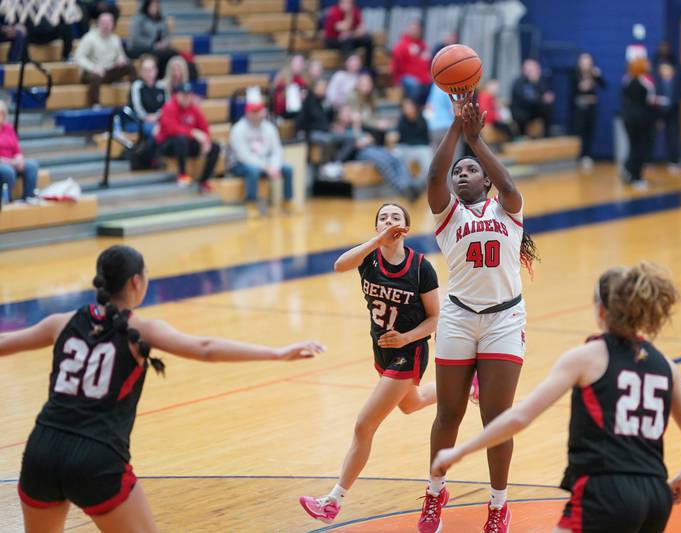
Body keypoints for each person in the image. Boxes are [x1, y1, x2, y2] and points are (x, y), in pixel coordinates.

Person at [2, 245, 323, 532]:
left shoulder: (61, 322)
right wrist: (277, 353)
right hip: (96, 458)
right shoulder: (140, 329)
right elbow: (206, 347)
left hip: (41, 450)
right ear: (136, 282)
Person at [432, 262, 681, 533]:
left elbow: (519, 416)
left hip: (606, 491)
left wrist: (461, 451)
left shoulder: (587, 357)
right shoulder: (666, 366)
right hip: (656, 497)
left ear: (601, 310)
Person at [418, 95, 538, 533]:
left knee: (495, 418)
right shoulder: (447, 215)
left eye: (470, 170)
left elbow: (509, 185)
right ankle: (434, 493)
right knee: (448, 413)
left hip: (504, 320)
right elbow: (433, 174)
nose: (461, 173)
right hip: (458, 317)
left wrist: (477, 140)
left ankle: (498, 504)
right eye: (458, 171)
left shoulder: (508, 209)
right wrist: (455, 130)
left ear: (485, 180)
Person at [299, 203, 440, 524]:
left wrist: (406, 339)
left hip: (409, 350)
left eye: (395, 218)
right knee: (411, 404)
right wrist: (378, 241)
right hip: (383, 350)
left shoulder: (420, 267)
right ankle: (461, 383)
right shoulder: (369, 257)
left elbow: (434, 319)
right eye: (383, 218)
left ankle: (333, 501)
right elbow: (339, 265)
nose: (389, 221)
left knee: (364, 425)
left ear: (405, 227)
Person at [156, 82, 221, 191]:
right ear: (177, 95)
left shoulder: (194, 108)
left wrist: (206, 141)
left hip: (186, 144)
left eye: (188, 95)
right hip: (167, 145)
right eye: (183, 95)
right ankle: (182, 175)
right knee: (180, 139)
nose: (186, 98)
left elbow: (204, 127)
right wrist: (193, 133)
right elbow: (172, 130)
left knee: (215, 147)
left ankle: (204, 181)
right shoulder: (169, 107)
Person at [228, 101, 293, 206]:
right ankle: (251, 202)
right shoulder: (238, 129)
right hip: (239, 164)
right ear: (248, 114)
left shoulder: (269, 128)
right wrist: (266, 167)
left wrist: (274, 167)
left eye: (259, 112)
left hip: (266, 162)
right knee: (253, 170)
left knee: (288, 169)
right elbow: (243, 156)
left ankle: (287, 202)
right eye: (254, 112)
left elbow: (277, 150)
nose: (258, 115)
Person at [75, 12, 137, 107]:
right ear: (98, 24)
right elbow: (78, 57)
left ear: (112, 24)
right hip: (91, 72)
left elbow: (123, 57)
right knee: (95, 77)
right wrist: (93, 68)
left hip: (109, 71)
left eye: (108, 23)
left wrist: (121, 60)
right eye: (103, 23)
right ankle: (95, 105)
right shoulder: (89, 38)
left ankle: (135, 96)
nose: (106, 26)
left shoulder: (115, 39)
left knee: (130, 67)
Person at [621, 58, 656, 190]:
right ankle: (637, 177)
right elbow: (650, 100)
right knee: (640, 147)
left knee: (633, 146)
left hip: (628, 118)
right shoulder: (646, 82)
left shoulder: (626, 80)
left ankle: (629, 169)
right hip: (641, 119)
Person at [126, 0, 179, 78]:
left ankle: (163, 78)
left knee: (172, 53)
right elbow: (135, 39)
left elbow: (167, 36)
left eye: (156, 6)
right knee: (160, 55)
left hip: (158, 49)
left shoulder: (161, 19)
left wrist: (164, 43)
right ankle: (157, 78)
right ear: (147, 5)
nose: (154, 8)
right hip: (140, 48)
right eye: (152, 5)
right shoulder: (139, 18)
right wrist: (152, 44)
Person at [570, 53, 606, 168]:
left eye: (588, 62)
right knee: (580, 133)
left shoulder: (594, 73)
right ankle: (579, 156)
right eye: (583, 62)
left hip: (592, 107)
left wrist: (599, 76)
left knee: (590, 132)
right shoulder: (575, 74)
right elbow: (572, 92)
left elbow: (604, 85)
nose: (586, 64)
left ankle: (588, 155)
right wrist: (581, 86)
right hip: (580, 108)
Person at [0, 100, 38, 202]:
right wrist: (12, 162)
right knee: (8, 171)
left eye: (2, 113)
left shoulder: (8, 128)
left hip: (12, 161)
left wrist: (19, 159)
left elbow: (17, 149)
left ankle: (29, 198)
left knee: (32, 165)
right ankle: (6, 200)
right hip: (3, 163)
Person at [391, 18, 432, 105]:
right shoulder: (401, 45)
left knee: (436, 86)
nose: (415, 31)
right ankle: (411, 108)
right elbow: (395, 65)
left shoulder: (424, 46)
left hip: (424, 79)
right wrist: (396, 81)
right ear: (407, 29)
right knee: (414, 85)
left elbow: (429, 64)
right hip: (406, 78)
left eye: (417, 29)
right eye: (412, 28)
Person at [654, 62, 681, 173]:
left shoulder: (676, 83)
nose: (666, 72)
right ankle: (650, 160)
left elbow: (680, 93)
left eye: (668, 69)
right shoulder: (656, 83)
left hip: (673, 113)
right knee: (653, 136)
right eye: (663, 69)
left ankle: (673, 161)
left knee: (673, 137)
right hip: (659, 113)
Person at [511, 58, 554, 138]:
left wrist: (536, 84)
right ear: (524, 70)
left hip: (532, 110)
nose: (533, 72)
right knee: (522, 116)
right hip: (521, 111)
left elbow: (545, 94)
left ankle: (547, 136)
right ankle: (522, 137)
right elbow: (526, 100)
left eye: (534, 69)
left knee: (546, 109)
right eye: (530, 70)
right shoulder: (518, 83)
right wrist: (541, 99)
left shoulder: (538, 81)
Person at [323, 0, 373, 69]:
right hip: (333, 40)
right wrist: (348, 14)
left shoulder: (355, 10)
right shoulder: (334, 11)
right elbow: (345, 27)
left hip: (350, 38)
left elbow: (361, 28)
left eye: (350, 3)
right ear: (341, 3)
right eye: (346, 2)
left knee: (368, 39)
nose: (349, 5)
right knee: (348, 41)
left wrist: (355, 33)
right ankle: (347, 68)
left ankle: (367, 67)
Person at [394, 98, 433, 184]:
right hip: (406, 147)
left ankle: (418, 185)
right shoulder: (401, 121)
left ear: (414, 106)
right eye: (405, 107)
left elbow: (427, 137)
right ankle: (406, 185)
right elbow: (399, 138)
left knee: (429, 166)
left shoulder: (422, 118)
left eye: (409, 106)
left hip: (422, 146)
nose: (407, 108)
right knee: (396, 156)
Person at [128, 56, 167, 141]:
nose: (148, 73)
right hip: (137, 121)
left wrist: (156, 117)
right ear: (141, 72)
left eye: (151, 69)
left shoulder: (162, 86)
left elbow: (165, 107)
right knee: (155, 130)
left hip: (157, 120)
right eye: (145, 70)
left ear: (156, 71)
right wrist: (146, 117)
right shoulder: (136, 86)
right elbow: (136, 107)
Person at [271, 54, 307, 120]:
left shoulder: (304, 78)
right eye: (297, 63)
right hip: (284, 111)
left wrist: (303, 96)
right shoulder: (282, 77)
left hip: (299, 110)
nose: (299, 65)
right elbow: (275, 94)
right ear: (291, 63)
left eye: (301, 63)